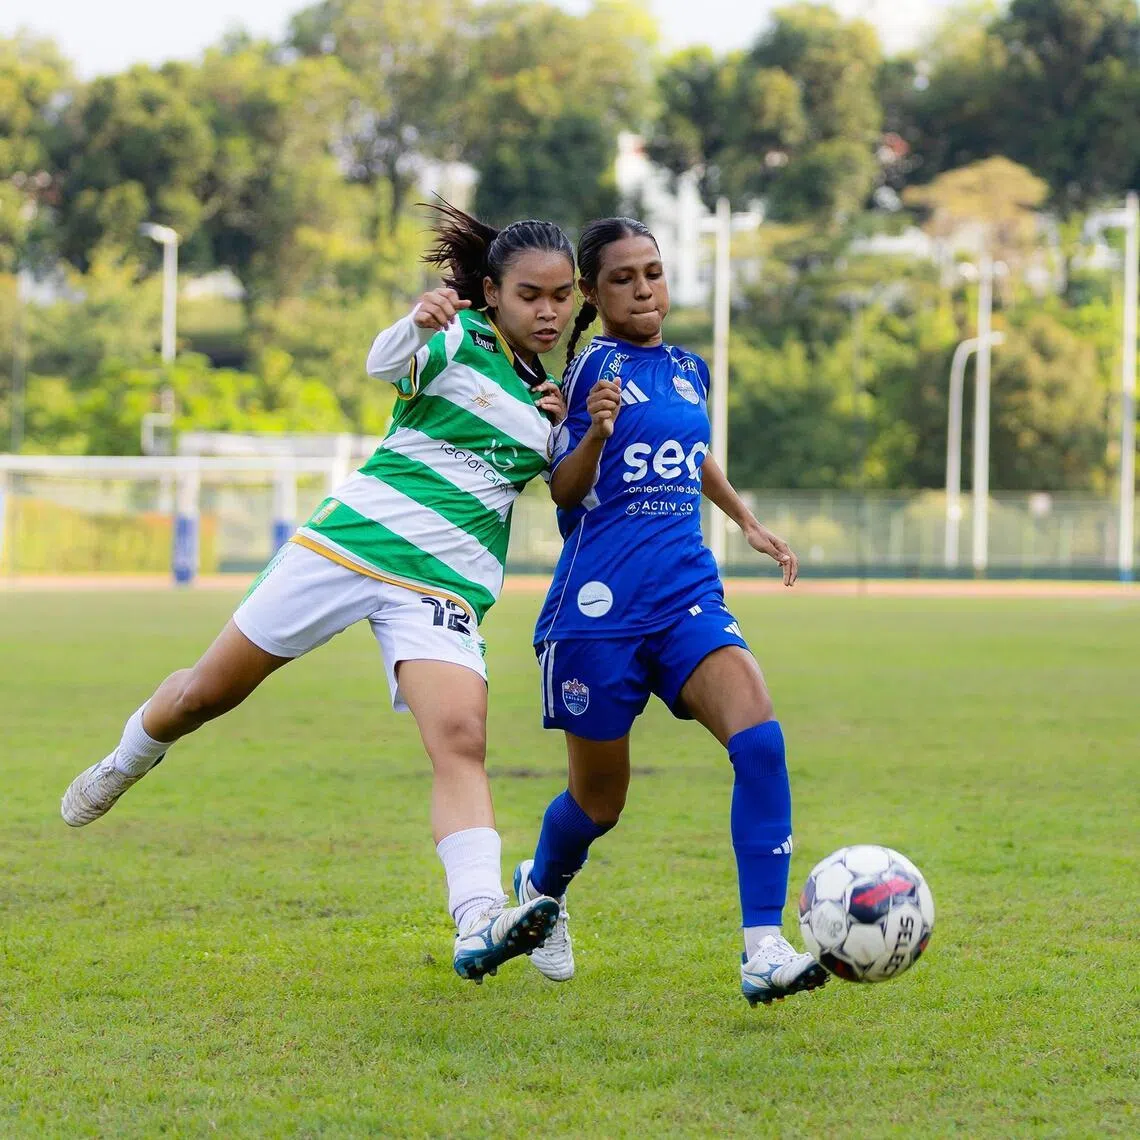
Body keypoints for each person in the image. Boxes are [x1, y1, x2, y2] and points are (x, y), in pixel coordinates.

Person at [60, 203, 586, 984]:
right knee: (205, 694)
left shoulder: (553, 398)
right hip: (347, 547)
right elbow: (385, 364)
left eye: (562, 295)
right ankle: (132, 755)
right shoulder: (457, 338)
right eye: (530, 295)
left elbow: (572, 489)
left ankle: (477, 916)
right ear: (491, 294)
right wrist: (416, 320)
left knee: (462, 740)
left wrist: (573, 430)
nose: (548, 310)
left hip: (440, 587)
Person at [511, 217, 829, 1005]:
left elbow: (693, 450)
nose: (644, 287)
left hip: (685, 593)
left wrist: (743, 518)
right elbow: (565, 490)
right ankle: (540, 890)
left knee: (760, 740)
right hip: (600, 610)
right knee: (599, 803)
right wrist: (594, 434)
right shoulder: (589, 369)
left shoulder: (689, 368)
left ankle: (762, 948)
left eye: (652, 271)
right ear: (592, 292)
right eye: (623, 277)